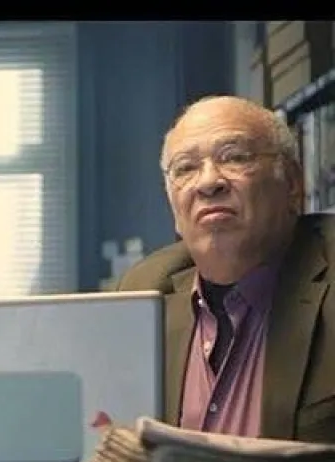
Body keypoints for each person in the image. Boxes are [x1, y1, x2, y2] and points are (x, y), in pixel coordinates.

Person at [115, 95, 335, 441]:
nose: (208, 182)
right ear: (173, 205)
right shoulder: (145, 291)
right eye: (185, 168)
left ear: (292, 183)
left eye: (234, 157)